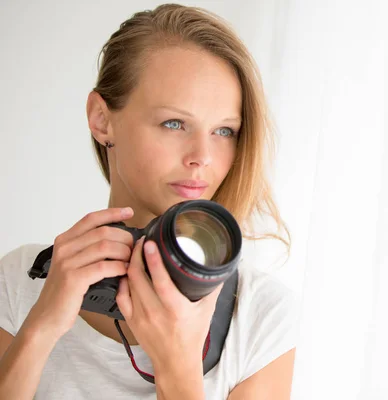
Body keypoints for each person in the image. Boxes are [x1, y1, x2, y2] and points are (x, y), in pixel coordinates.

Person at [0, 4, 297, 399]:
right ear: (102, 120)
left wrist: (178, 366)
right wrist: (41, 327)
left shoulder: (259, 314)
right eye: (174, 123)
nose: (202, 156)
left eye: (224, 130)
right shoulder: (21, 279)